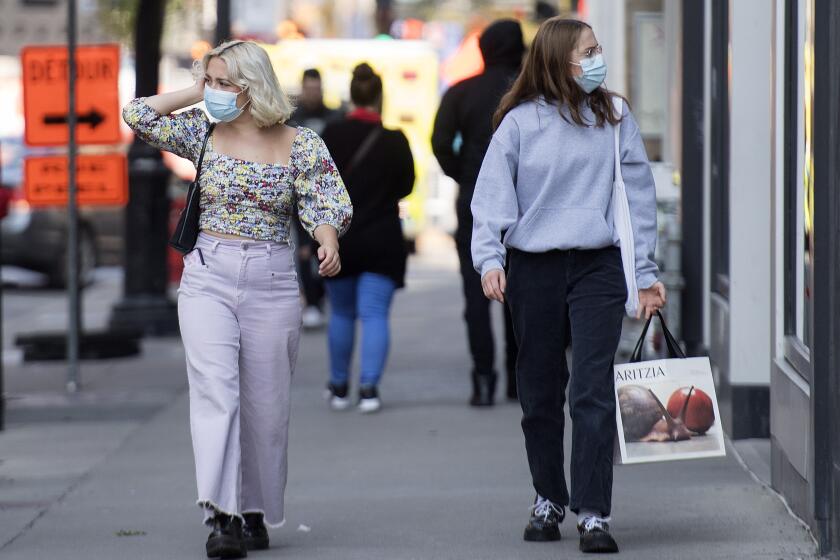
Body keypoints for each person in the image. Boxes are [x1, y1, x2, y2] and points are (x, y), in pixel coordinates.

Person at [122, 40, 352, 558]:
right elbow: (136, 114)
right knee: (216, 394)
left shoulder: (301, 144)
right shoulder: (202, 131)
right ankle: (220, 516)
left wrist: (327, 238)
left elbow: (326, 200)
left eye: (225, 83)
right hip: (207, 276)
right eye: (212, 81)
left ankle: (253, 511)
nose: (216, 92)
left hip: (272, 278)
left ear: (254, 86)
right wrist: (195, 89)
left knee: (265, 407)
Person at [471, 18, 666, 554]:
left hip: (597, 266)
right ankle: (548, 498)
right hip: (532, 268)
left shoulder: (614, 114)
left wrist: (644, 274)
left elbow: (638, 197)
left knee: (592, 390)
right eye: (589, 51)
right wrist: (489, 259)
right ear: (559, 59)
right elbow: (490, 198)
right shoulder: (517, 124)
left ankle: (594, 511)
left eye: (598, 49)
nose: (597, 59)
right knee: (538, 390)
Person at [432, 19, 524, 407]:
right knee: (520, 292)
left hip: (473, 200)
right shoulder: (530, 93)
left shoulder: (460, 92)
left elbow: (439, 142)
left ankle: (483, 378)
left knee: (477, 292)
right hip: (524, 203)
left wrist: (464, 175)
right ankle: (517, 380)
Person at [320, 63, 415, 414]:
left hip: (339, 239)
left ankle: (339, 386)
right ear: (380, 97)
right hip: (382, 239)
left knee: (342, 313)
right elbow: (407, 185)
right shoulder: (394, 141)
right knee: (374, 313)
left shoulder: (331, 134)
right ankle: (370, 389)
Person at [289, 69, 344, 329]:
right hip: (297, 196)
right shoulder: (291, 118)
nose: (312, 93)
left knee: (325, 246)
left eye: (316, 89)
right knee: (303, 250)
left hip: (326, 192)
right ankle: (311, 301)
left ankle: (319, 297)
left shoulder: (334, 118)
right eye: (308, 89)